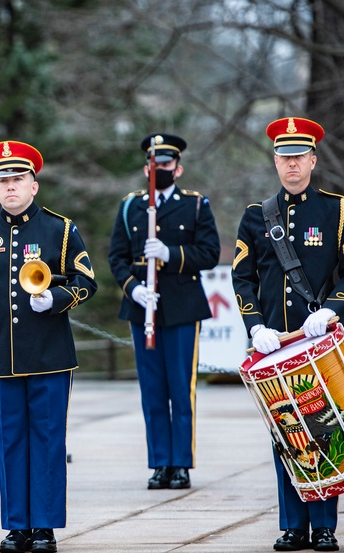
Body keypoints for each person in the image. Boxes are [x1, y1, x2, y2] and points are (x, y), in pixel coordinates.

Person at [231, 117, 344, 553]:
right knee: (285, 430)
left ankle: (324, 525)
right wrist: (255, 326)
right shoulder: (256, 216)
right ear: (275, 162)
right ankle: (293, 525)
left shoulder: (336, 210)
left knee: (325, 427)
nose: (291, 165)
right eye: (284, 157)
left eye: (299, 157)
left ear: (313, 159)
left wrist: (331, 309)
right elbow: (242, 278)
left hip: (319, 339)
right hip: (274, 340)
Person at [0, 141, 97, 553]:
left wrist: (56, 297)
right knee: (11, 441)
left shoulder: (60, 228)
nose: (10, 188)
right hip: (0, 357)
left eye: (17, 180)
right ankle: (17, 525)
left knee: (49, 439)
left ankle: (46, 526)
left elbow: (86, 280)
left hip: (51, 355)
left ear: (34, 185)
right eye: (2, 182)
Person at [108, 133, 220, 491]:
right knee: (152, 389)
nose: (161, 169)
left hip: (182, 306)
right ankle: (160, 462)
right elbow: (116, 257)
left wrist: (171, 254)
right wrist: (135, 290)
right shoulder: (130, 207)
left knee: (180, 388)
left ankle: (181, 463)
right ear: (146, 168)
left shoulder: (196, 205)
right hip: (144, 307)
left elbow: (210, 253)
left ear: (179, 168)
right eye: (155, 164)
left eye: (167, 164)